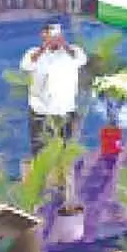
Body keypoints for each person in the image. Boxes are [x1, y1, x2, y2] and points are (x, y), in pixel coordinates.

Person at [20, 22, 87, 161]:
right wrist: (44, 48)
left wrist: (65, 45)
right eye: (50, 34)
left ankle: (62, 181)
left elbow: (81, 59)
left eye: (57, 34)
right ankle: (40, 179)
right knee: (39, 148)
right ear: (42, 35)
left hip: (65, 109)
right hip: (41, 110)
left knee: (64, 148)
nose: (54, 38)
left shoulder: (72, 51)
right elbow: (27, 65)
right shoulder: (33, 53)